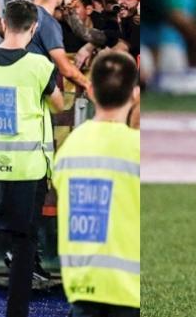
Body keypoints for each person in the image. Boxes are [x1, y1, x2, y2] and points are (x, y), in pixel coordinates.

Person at [0, 0, 64, 317]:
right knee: (24, 246)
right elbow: (59, 104)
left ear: (4, 24)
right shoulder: (39, 66)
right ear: (33, 28)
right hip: (26, 171)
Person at [54, 50, 140, 317]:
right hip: (129, 288)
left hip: (82, 284)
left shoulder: (70, 147)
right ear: (134, 94)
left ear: (90, 91)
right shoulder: (137, 147)